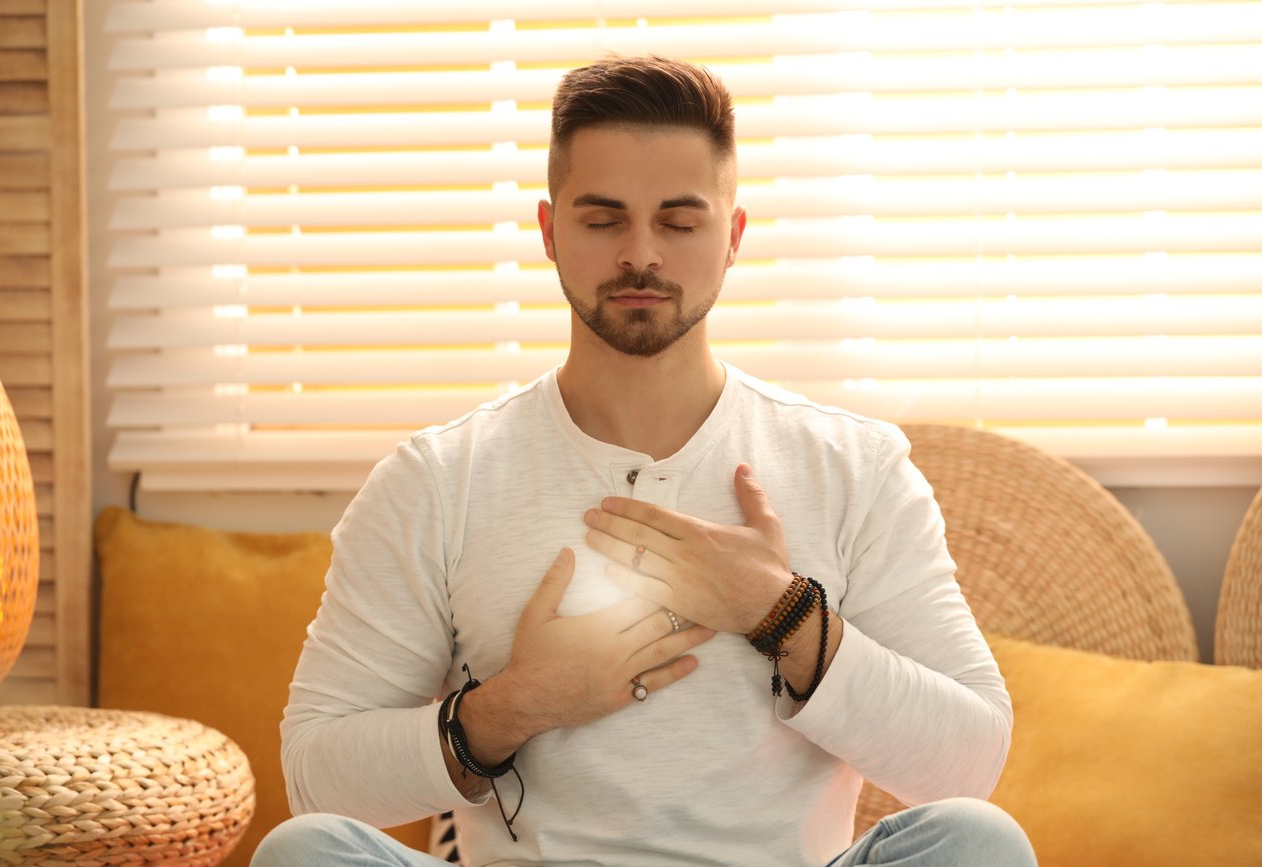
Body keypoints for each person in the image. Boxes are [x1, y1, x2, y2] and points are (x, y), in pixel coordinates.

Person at [251, 56, 1036, 867]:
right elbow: (319, 777)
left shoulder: (856, 467)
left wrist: (781, 613)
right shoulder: (436, 479)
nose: (641, 254)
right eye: (603, 219)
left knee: (977, 843)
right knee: (305, 850)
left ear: (731, 237)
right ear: (550, 230)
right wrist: (517, 704)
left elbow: (968, 762)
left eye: (677, 221)